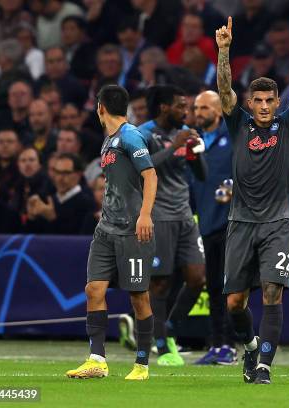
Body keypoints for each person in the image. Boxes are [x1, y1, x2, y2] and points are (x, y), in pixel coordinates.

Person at [216, 17, 289, 384]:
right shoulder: (237, 123)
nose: (265, 105)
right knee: (234, 304)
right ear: (249, 102)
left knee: (273, 292)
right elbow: (224, 89)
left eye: (270, 99)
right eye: (258, 99)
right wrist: (224, 51)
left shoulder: (288, 126)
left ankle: (265, 367)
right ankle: (251, 346)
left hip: (278, 221)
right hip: (241, 222)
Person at [65, 84, 157, 381]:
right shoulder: (109, 141)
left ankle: (142, 364)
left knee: (139, 297)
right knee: (94, 289)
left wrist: (145, 215)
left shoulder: (130, 136)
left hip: (132, 230)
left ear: (100, 108)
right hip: (105, 228)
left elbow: (151, 175)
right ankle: (97, 359)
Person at [135, 85, 207, 367]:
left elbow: (202, 176)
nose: (186, 113)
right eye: (181, 106)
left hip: (185, 215)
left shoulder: (182, 134)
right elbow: (141, 169)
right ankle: (163, 346)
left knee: (197, 278)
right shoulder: (143, 134)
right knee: (160, 284)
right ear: (164, 107)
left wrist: (194, 153)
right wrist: (175, 146)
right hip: (158, 215)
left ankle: (169, 329)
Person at [189, 90, 236, 365]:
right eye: (196, 108)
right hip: (205, 222)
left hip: (230, 223)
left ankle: (230, 344)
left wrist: (232, 186)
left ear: (218, 111)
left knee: (230, 287)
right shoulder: (194, 143)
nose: (199, 112)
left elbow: (243, 171)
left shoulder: (231, 139)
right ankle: (217, 343)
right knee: (214, 287)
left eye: (204, 107)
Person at [25, 152, 94, 234]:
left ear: (78, 175)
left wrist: (52, 219)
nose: (59, 178)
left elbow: (78, 241)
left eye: (66, 173)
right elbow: (32, 238)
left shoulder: (87, 203)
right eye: (57, 172)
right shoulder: (47, 200)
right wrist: (31, 217)